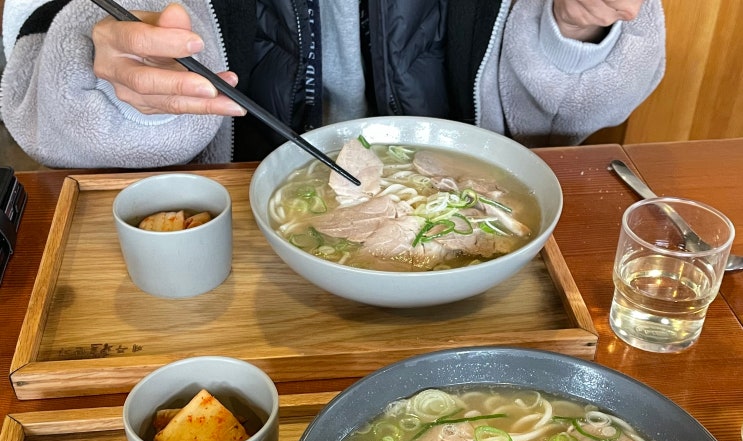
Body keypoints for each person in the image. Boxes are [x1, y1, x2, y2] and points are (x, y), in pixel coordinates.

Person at [0, 0, 665, 169]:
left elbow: (569, 112)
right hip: (237, 251)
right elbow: (65, 119)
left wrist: (574, 29)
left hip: (475, 223)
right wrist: (132, 88)